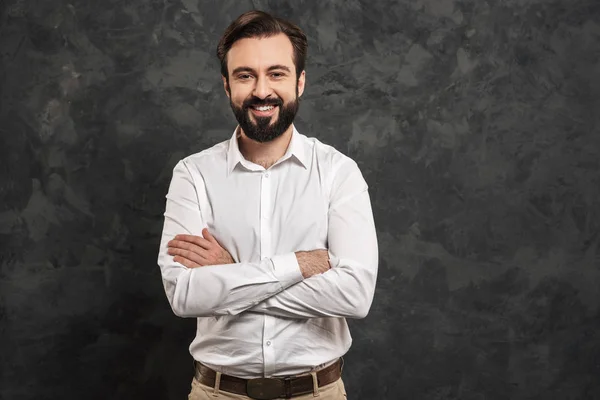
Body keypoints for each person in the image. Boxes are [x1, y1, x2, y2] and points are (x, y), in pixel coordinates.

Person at [157, 10, 378, 400]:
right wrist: (298, 265)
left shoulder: (339, 173)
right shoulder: (193, 174)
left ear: (300, 81)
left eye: (276, 73)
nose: (262, 91)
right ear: (227, 86)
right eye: (245, 75)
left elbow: (354, 296)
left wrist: (230, 274)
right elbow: (185, 295)